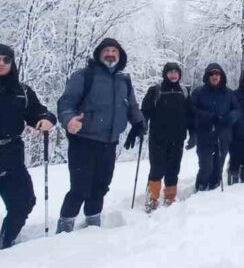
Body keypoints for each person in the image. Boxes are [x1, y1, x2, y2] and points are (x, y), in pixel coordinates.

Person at [56, 38, 144, 233]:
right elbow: (66, 103)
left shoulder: (124, 80)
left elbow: (131, 106)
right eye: (107, 50)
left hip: (109, 143)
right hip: (84, 141)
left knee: (101, 185)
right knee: (79, 187)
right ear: (99, 54)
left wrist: (138, 122)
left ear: (120, 56)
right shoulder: (84, 76)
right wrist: (69, 119)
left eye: (114, 51)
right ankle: (64, 227)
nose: (110, 54)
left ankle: (93, 221)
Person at [0, 44, 55, 249]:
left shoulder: (22, 92)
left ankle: (4, 241)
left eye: (6, 59)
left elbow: (38, 112)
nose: (1, 63)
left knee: (24, 201)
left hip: (11, 154)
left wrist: (46, 119)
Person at [141, 62, 193, 212]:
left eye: (176, 72)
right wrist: (142, 124)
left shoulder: (184, 92)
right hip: (157, 139)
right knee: (156, 169)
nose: (173, 75)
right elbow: (145, 111)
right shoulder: (155, 91)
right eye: (170, 72)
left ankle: (170, 197)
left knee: (173, 169)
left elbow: (190, 115)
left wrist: (193, 133)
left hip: (177, 139)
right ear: (165, 74)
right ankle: (152, 198)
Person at [190, 63, 240, 191]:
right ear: (207, 76)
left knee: (218, 167)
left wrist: (229, 118)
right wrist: (209, 117)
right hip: (205, 135)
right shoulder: (199, 92)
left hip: (223, 135)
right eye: (212, 74)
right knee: (206, 167)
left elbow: (237, 110)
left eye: (217, 74)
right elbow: (192, 109)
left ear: (221, 76)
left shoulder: (228, 93)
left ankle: (214, 189)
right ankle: (200, 187)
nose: (215, 76)